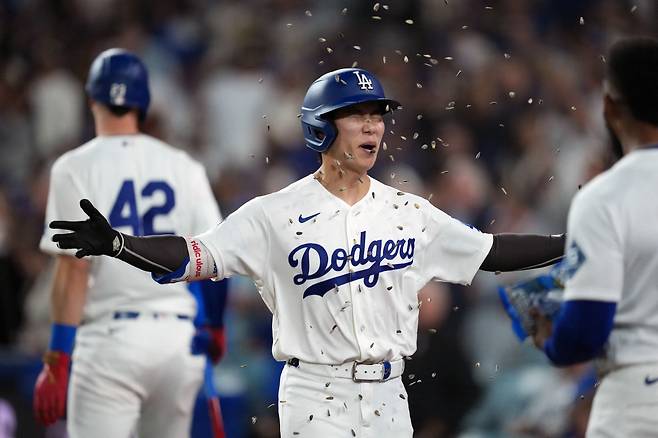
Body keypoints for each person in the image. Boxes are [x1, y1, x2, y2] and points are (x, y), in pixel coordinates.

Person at [49, 67, 564, 437]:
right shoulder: (271, 213)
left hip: (390, 394)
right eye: (355, 116)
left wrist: (573, 244)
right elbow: (192, 256)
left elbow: (491, 251)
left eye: (377, 115)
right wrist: (119, 244)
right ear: (320, 126)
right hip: (316, 396)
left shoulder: (410, 210)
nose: (372, 126)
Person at [34, 48, 228, 438]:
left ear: (91, 98)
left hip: (110, 340)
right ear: (143, 102)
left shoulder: (74, 166)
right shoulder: (184, 165)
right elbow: (215, 259)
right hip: (177, 339)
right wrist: (215, 325)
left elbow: (74, 269)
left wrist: (57, 358)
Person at [514, 36, 658, 437]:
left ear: (610, 107)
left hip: (640, 397)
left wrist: (548, 336)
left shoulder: (605, 196)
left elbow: (584, 333)